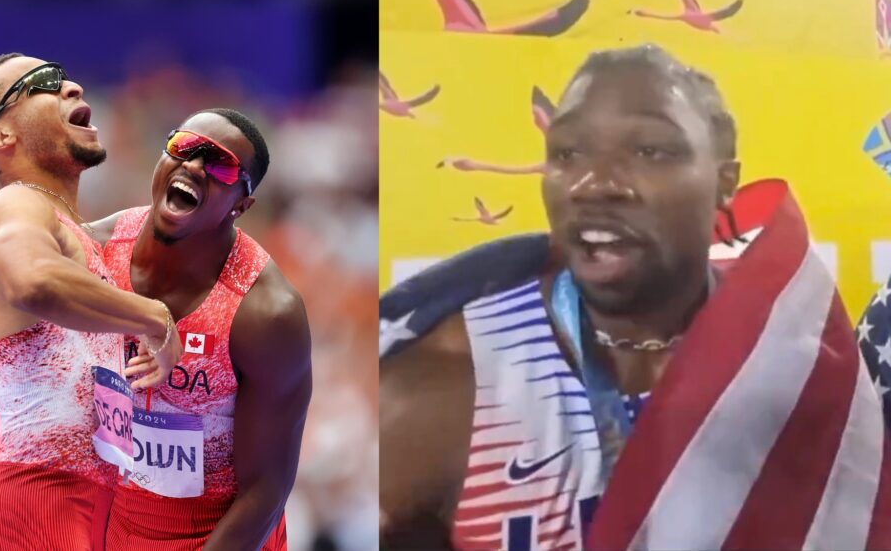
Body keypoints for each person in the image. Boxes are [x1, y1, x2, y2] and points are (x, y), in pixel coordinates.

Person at [379, 45, 891, 550]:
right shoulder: (447, 388)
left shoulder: (798, 369)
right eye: (567, 153)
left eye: (650, 150)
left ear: (725, 182)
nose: (593, 183)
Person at [0, 53, 182, 550]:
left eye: (67, 78)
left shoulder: (81, 241)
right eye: (44, 84)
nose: (71, 86)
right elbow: (32, 280)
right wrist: (155, 316)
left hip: (87, 515)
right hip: (27, 512)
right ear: (0, 136)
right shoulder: (17, 203)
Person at [85, 108, 311, 550]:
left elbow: (266, 491)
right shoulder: (96, 251)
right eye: (184, 147)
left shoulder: (266, 313)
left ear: (241, 205)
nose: (192, 165)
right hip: (110, 528)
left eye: (220, 163)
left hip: (218, 538)